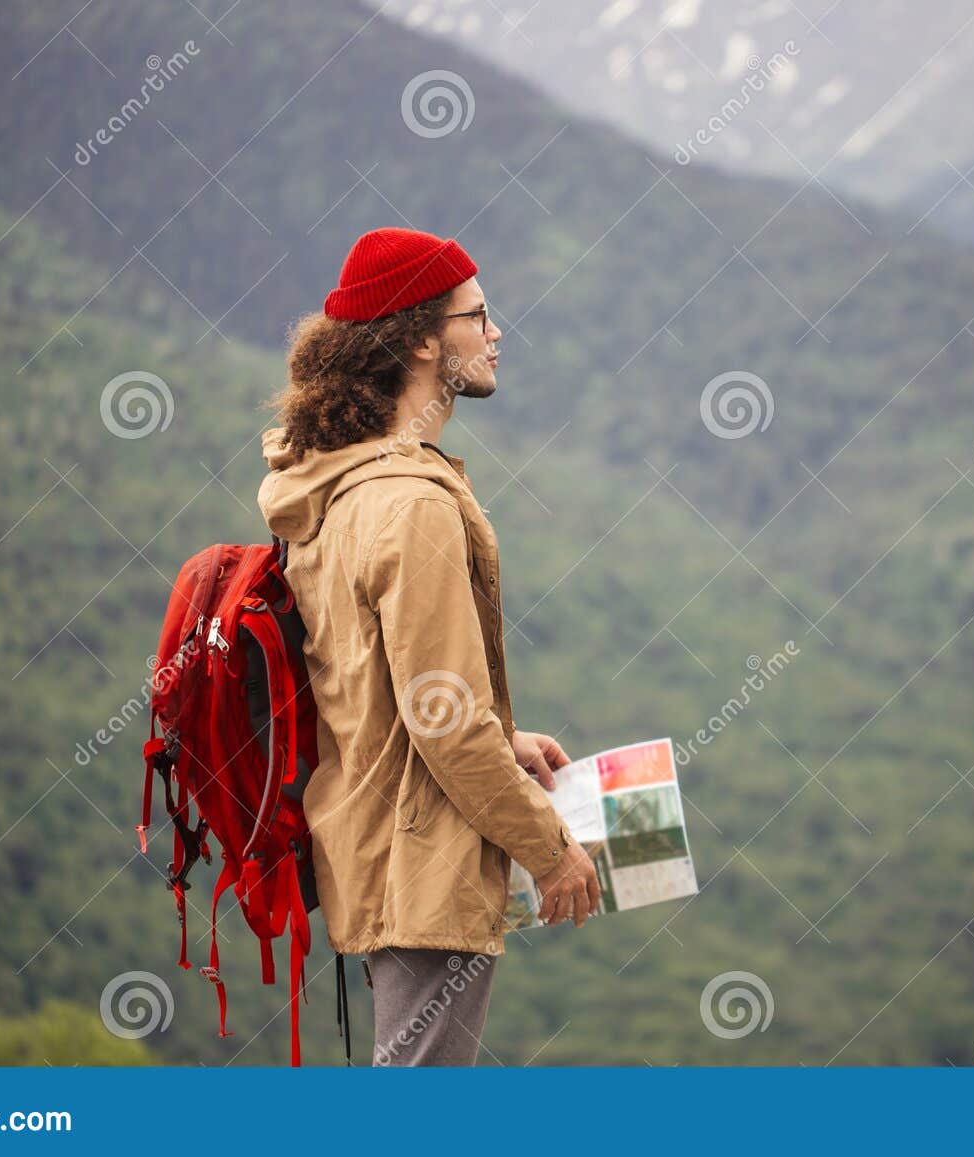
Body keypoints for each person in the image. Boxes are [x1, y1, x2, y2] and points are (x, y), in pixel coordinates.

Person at [256, 226, 602, 1066]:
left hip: (378, 834)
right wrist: (550, 850)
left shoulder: (342, 482)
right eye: (476, 316)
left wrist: (501, 736)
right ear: (418, 337)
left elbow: (375, 677)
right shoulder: (412, 505)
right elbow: (441, 723)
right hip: (421, 857)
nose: (494, 333)